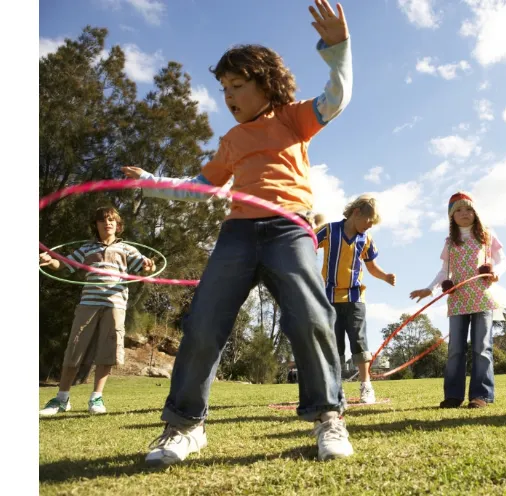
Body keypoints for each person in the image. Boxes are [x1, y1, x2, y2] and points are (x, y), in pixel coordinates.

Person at [121, 0, 355, 464]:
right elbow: (200, 188)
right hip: (237, 234)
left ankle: (329, 417)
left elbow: (337, 97)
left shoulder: (292, 117)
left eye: (238, 85)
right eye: (224, 87)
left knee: (309, 317)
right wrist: (153, 183)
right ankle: (184, 426)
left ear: (265, 84)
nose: (228, 96)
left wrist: (338, 49)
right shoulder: (231, 141)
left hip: (289, 229)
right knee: (203, 323)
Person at [39, 206, 154, 416]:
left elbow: (145, 268)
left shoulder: (127, 249)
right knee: (75, 347)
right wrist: (49, 261)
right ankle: (61, 398)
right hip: (88, 304)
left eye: (111, 220)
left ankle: (96, 398)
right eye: (103, 220)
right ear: (96, 225)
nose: (107, 223)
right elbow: (63, 265)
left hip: (115, 305)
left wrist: (149, 266)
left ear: (118, 226)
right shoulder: (86, 249)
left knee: (107, 351)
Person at [409, 191, 506, 409]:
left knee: (482, 347)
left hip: (482, 297)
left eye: (468, 209)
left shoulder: (487, 236)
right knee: (455, 349)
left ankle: (480, 395)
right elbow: (445, 271)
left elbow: (503, 259)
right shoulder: (450, 242)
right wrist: (430, 289)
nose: (464, 213)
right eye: (458, 210)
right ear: (451, 217)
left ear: (476, 212)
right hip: (458, 299)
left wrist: (495, 271)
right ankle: (453, 395)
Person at [315, 195, 396, 404]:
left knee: (359, 340)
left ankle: (366, 385)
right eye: (369, 222)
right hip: (330, 296)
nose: (369, 227)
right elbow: (309, 244)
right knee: (334, 343)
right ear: (357, 212)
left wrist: (385, 276)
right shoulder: (330, 230)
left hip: (355, 296)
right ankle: (334, 388)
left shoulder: (365, 239)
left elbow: (371, 267)